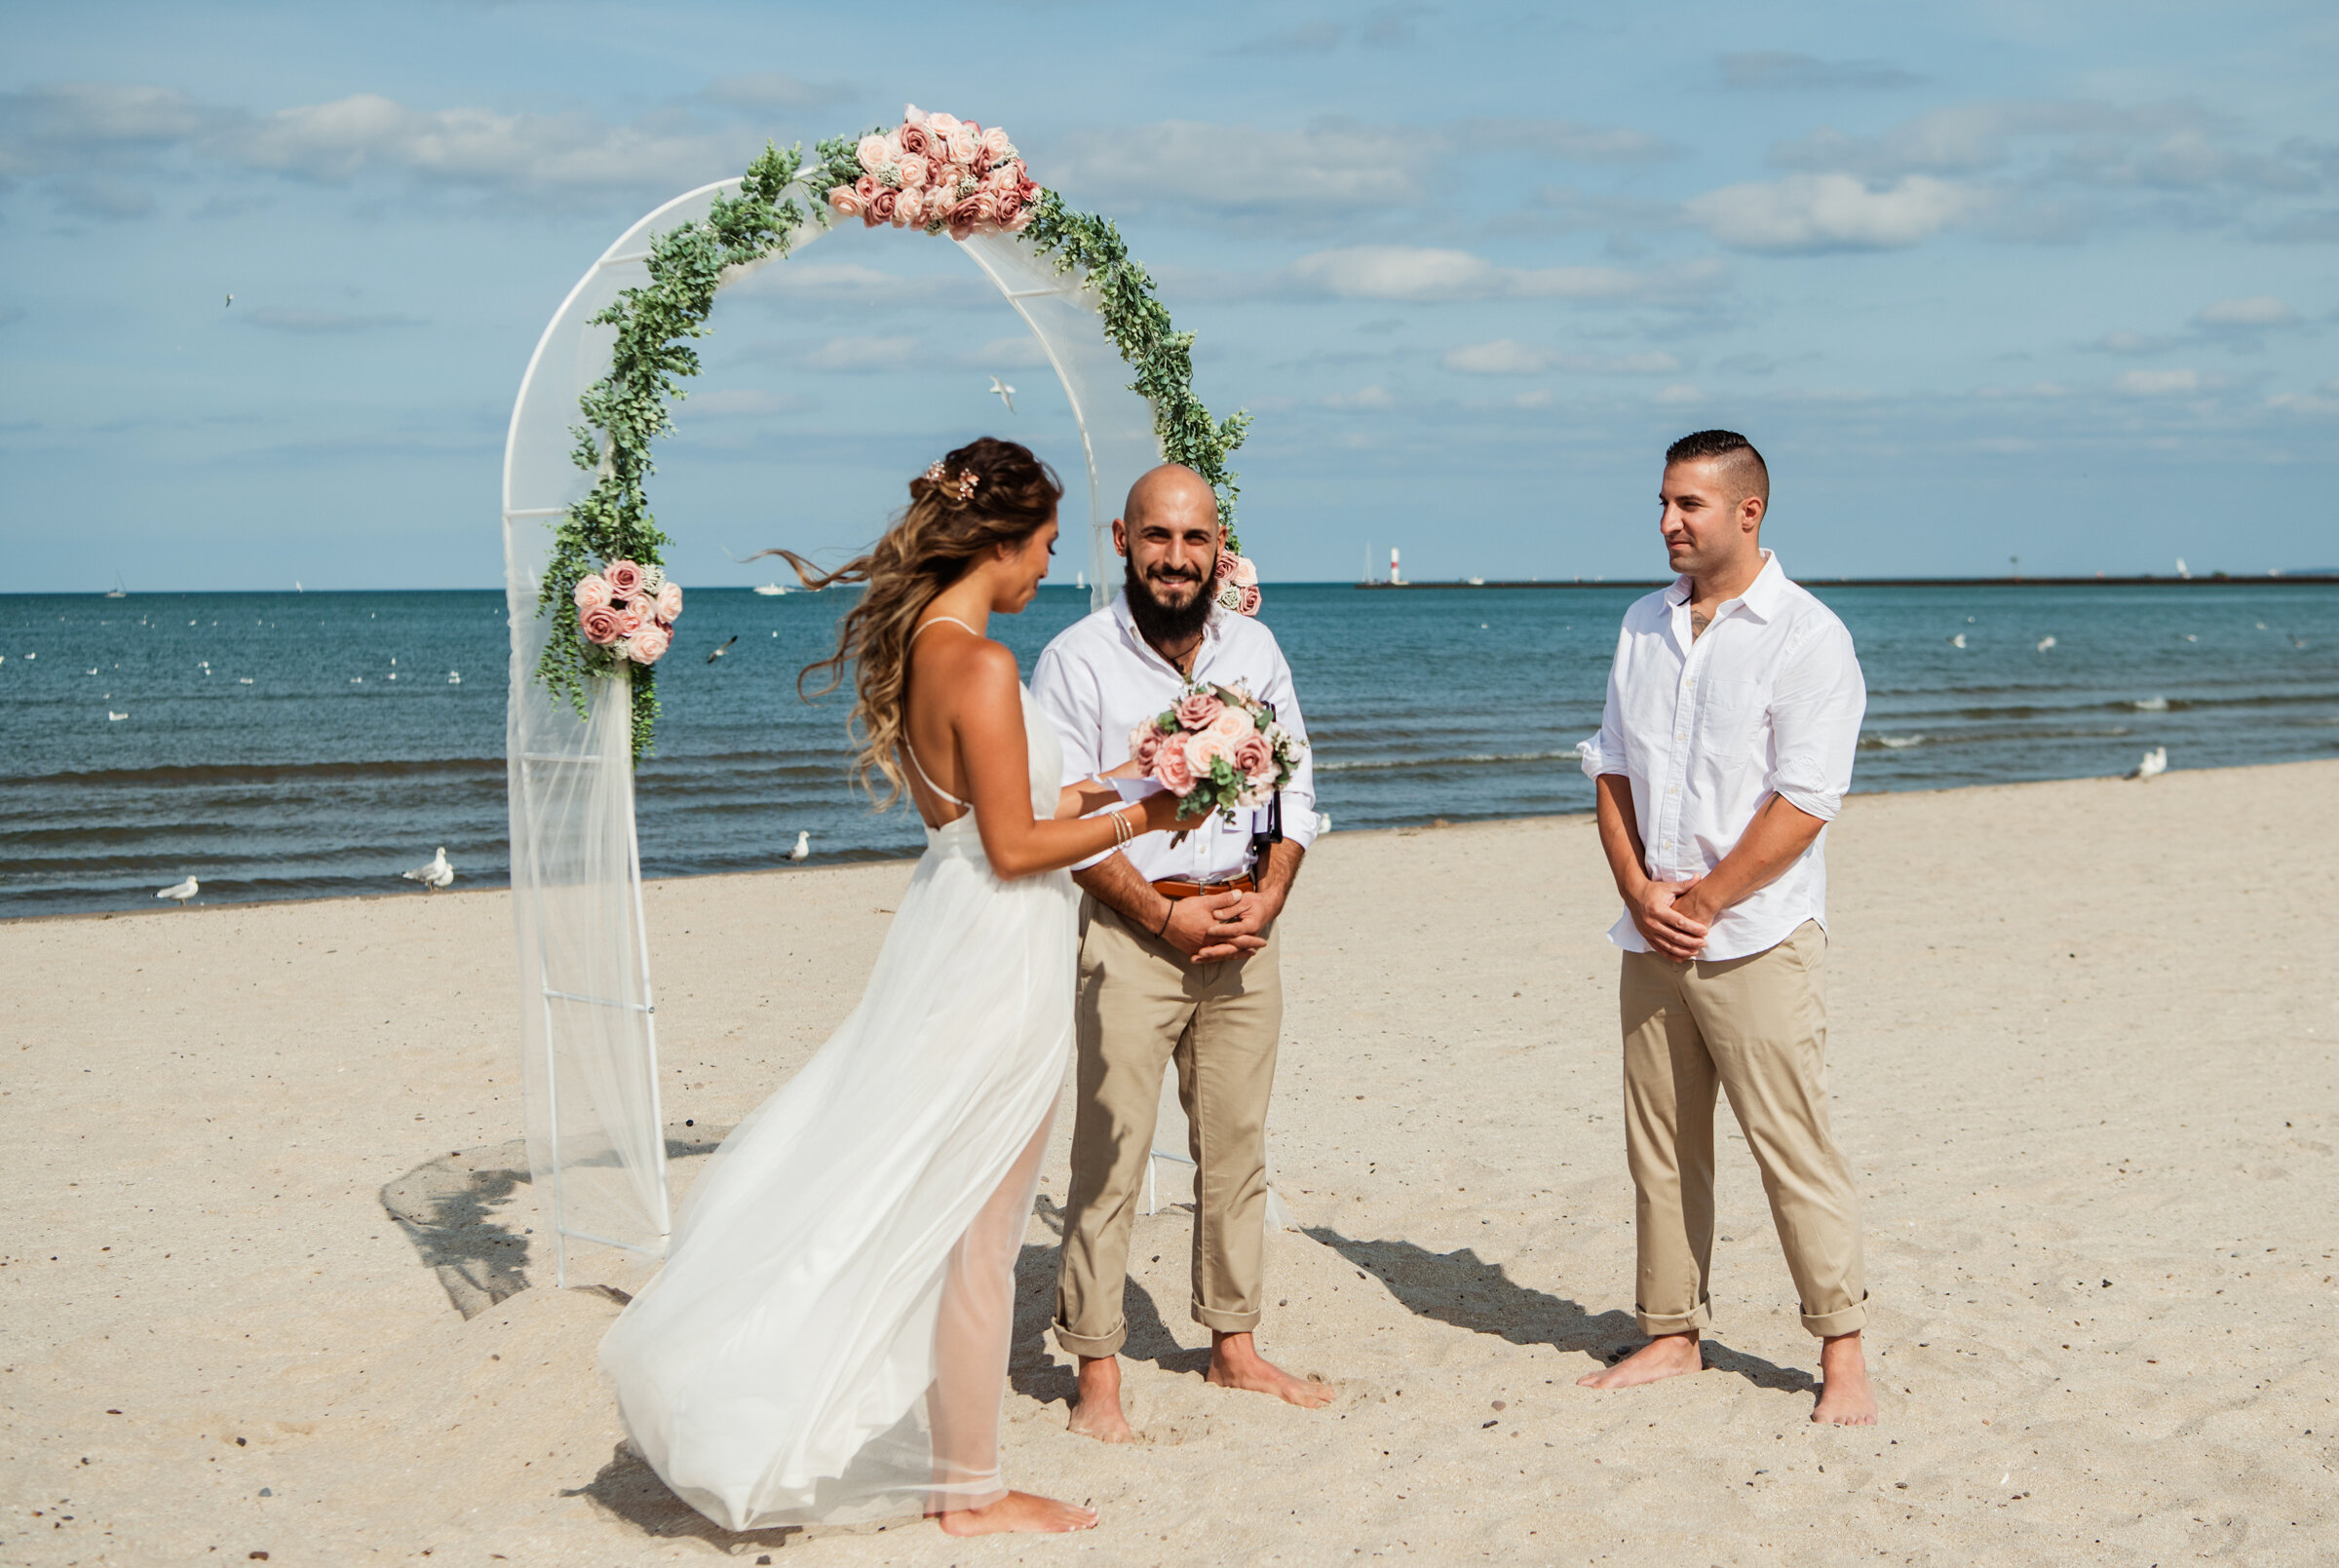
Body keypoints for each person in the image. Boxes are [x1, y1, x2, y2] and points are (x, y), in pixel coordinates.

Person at [597, 439, 1186, 1537]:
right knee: (980, 1226)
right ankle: (972, 1491)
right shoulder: (989, 663)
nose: (1049, 570)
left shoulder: (927, 647)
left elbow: (960, 812)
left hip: (949, 932)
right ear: (1001, 541)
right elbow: (1013, 844)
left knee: (928, 1192)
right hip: (1001, 950)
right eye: (1048, 548)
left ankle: (955, 1468)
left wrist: (1121, 779)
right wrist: (1146, 819)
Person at [1572, 429, 1878, 1426]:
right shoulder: (1641, 625)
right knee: (1659, 1145)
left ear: (1748, 512)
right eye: (1662, 503)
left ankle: (1841, 1350)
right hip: (1651, 931)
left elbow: (1805, 800)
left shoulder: (1808, 636)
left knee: (1792, 1143)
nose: (1666, 522)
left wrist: (1703, 900)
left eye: (1688, 506)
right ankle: (1671, 1331)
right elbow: (1610, 768)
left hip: (1758, 937)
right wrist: (1638, 891)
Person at [1028, 463, 1331, 1444]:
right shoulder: (1076, 661)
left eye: (1194, 539)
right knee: (1108, 1154)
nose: (1175, 558)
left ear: (1218, 547)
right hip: (1135, 934)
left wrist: (1271, 895)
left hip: (1245, 931)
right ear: (1122, 540)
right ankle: (1099, 1370)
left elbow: (1297, 789)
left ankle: (1234, 1344)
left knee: (1236, 1149)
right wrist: (1161, 920)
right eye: (1156, 537)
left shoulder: (1257, 647)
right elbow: (1065, 823)